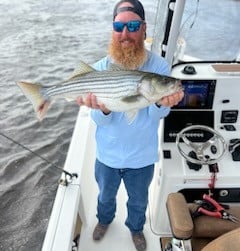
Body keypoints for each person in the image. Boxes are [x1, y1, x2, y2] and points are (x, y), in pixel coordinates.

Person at [77, 1, 184, 250]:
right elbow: (98, 120)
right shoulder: (101, 68)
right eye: (119, 26)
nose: (125, 34)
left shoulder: (159, 68)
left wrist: (162, 103)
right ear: (113, 30)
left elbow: (157, 116)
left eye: (133, 26)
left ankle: (135, 229)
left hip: (142, 157)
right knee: (104, 196)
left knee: (138, 201)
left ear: (144, 29)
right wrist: (102, 107)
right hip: (107, 156)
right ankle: (104, 221)